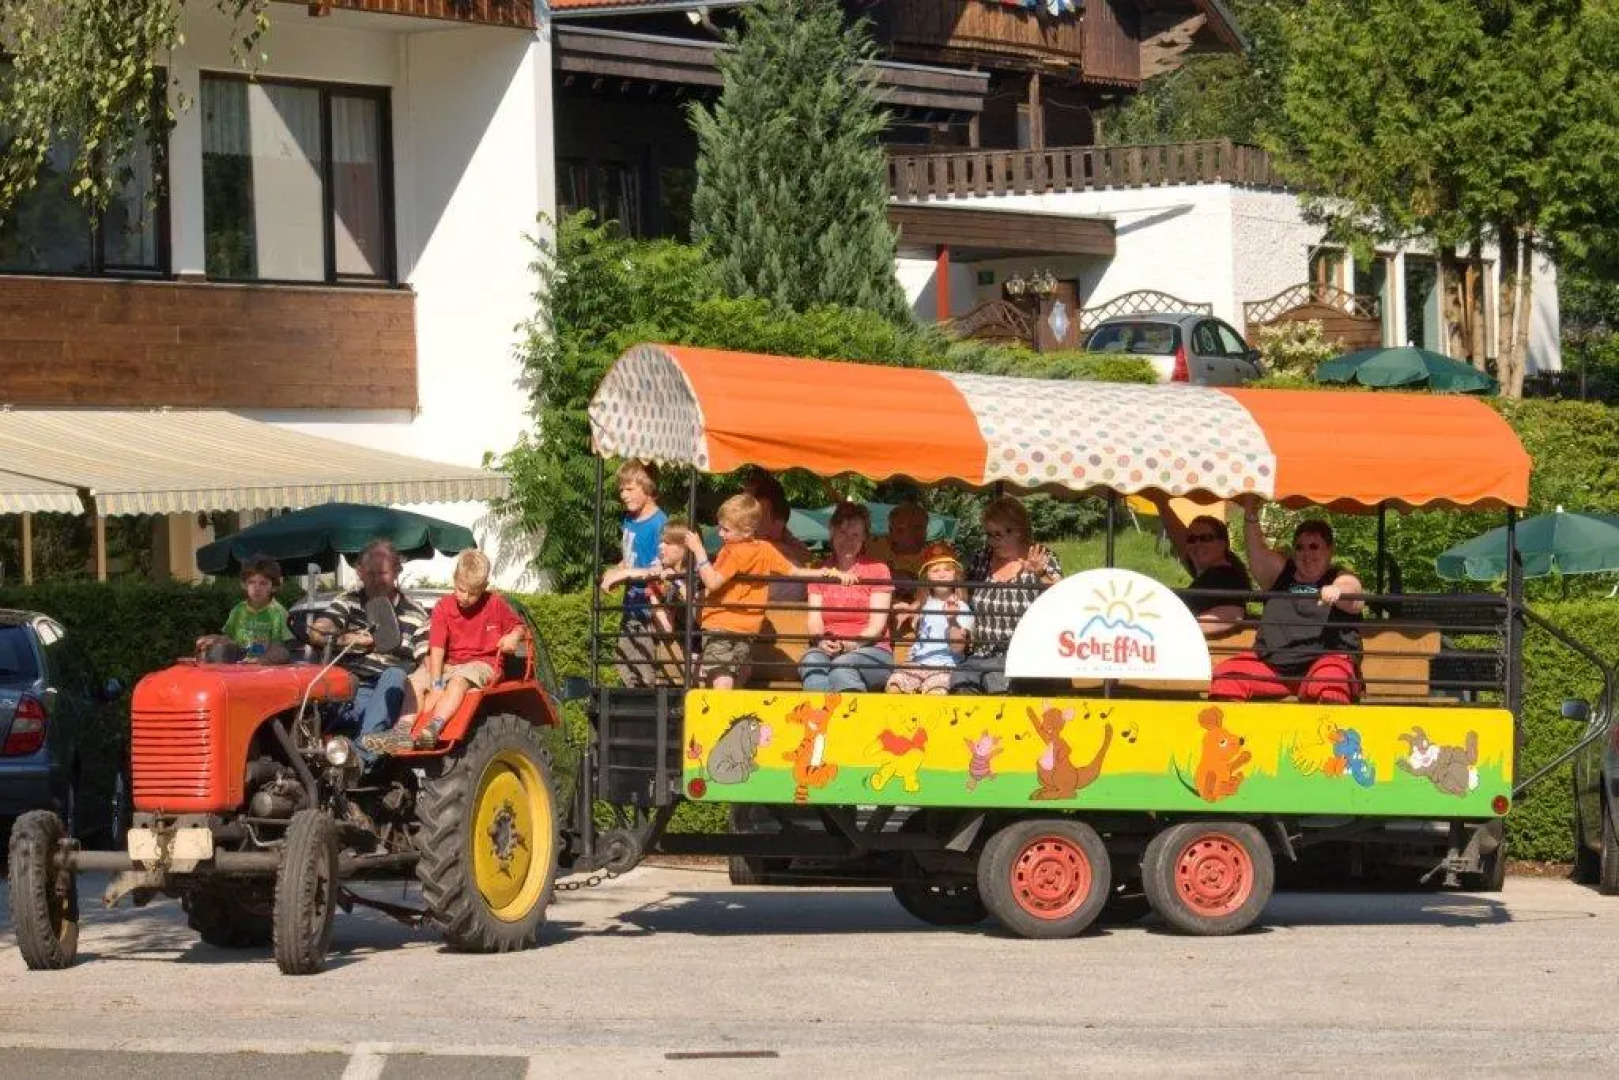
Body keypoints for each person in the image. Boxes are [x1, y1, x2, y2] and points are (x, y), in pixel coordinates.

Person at [686, 493, 854, 691]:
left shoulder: (732, 551)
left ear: (747, 531)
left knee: (720, 673)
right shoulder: (764, 549)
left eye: (726, 530)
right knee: (737, 672)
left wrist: (698, 550)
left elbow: (712, 582)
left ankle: (721, 715)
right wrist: (824, 572)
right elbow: (794, 571)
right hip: (747, 629)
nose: (721, 534)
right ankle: (729, 713)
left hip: (721, 624)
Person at [368, 550, 525, 752]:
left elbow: (518, 627)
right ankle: (401, 731)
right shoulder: (444, 607)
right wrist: (436, 685)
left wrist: (513, 636)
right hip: (449, 664)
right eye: (461, 590)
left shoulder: (495, 604)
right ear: (454, 580)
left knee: (459, 680)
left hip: (483, 664)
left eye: (473, 593)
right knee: (414, 681)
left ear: (484, 587)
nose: (466, 597)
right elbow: (437, 649)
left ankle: (433, 727)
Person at [1208, 504, 1363, 704]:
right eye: (1300, 547)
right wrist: (1251, 513)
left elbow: (1354, 595)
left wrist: (1337, 591)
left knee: (1329, 683)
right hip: (1273, 666)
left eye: (1314, 546)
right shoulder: (1281, 575)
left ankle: (1325, 734)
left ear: (1329, 550)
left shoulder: (1339, 576)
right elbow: (1257, 550)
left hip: (1323, 663)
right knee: (1226, 677)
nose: (1307, 554)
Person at [308, 539, 430, 765]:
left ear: (397, 572)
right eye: (370, 573)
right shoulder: (349, 601)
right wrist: (347, 638)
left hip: (390, 693)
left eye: (382, 573)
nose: (375, 581)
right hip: (346, 688)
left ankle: (357, 760)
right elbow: (319, 630)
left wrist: (420, 683)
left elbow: (428, 662)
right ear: (360, 572)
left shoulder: (416, 613)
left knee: (394, 675)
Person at [952, 497, 1062, 695]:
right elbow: (960, 591)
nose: (993, 541)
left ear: (1019, 530)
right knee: (960, 682)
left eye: (1000, 534)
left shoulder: (1040, 556)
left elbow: (1061, 598)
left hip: (1023, 656)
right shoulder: (981, 559)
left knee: (997, 682)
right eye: (990, 534)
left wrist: (1041, 575)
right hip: (981, 654)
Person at [799, 501, 894, 693]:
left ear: (864, 538)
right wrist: (821, 641)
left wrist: (852, 644)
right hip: (830, 648)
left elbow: (876, 626)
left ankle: (854, 720)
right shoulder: (821, 571)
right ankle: (822, 718)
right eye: (842, 533)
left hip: (872, 650)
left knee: (842, 666)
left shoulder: (877, 570)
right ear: (832, 533)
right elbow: (814, 619)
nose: (848, 540)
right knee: (811, 662)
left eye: (855, 535)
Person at [602, 517, 693, 684]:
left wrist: (671, 581)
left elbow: (688, 606)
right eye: (661, 542)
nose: (660, 547)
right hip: (675, 641)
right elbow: (666, 627)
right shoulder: (664, 574)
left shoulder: (692, 575)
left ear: (684, 548)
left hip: (694, 644)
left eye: (667, 543)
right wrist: (652, 590)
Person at [1148, 494, 1252, 638]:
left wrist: (1171, 629)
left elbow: (1232, 615)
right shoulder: (1206, 572)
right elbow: (1178, 537)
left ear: (1223, 544)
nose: (1198, 544)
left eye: (1206, 538)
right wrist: (1161, 504)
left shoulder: (1227, 578)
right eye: (1192, 539)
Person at [605, 460, 668, 688]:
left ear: (648, 488)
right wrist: (616, 571)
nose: (623, 495)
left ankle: (647, 716)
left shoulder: (660, 524)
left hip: (649, 606)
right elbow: (631, 557)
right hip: (630, 604)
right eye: (621, 489)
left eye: (630, 489)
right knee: (624, 663)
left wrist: (624, 574)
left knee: (643, 667)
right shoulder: (629, 520)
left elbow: (660, 568)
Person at [886, 541, 973, 695]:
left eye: (947, 569)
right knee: (894, 687)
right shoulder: (925, 604)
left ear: (956, 575)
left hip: (946, 666)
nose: (941, 574)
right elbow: (919, 607)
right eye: (935, 570)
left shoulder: (962, 608)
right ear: (927, 578)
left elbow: (958, 647)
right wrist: (909, 610)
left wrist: (952, 620)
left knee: (935, 694)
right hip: (917, 663)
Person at [196, 553, 293, 663]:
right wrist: (213, 639)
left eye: (263, 583)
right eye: (251, 582)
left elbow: (283, 650)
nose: (257, 588)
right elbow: (229, 640)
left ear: (274, 587)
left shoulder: (279, 613)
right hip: (238, 667)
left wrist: (261, 661)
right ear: (244, 585)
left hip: (266, 670)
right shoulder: (238, 610)